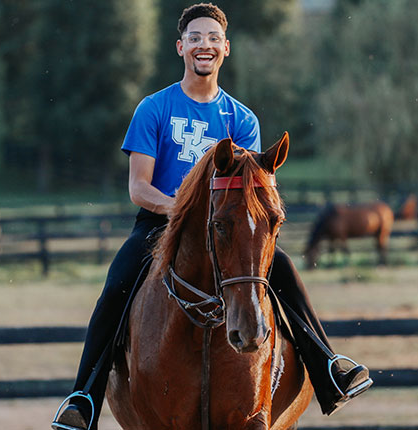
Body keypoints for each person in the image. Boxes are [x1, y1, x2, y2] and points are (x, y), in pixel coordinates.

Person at [52, 4, 371, 429]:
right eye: (196, 38)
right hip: (162, 226)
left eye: (213, 38)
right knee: (116, 288)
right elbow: (138, 187)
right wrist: (182, 211)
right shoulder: (154, 108)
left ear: (225, 49)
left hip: (230, 227)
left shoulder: (242, 119)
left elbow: (252, 188)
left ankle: (327, 364)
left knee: (284, 272)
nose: (205, 45)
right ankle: (83, 397)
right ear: (181, 47)